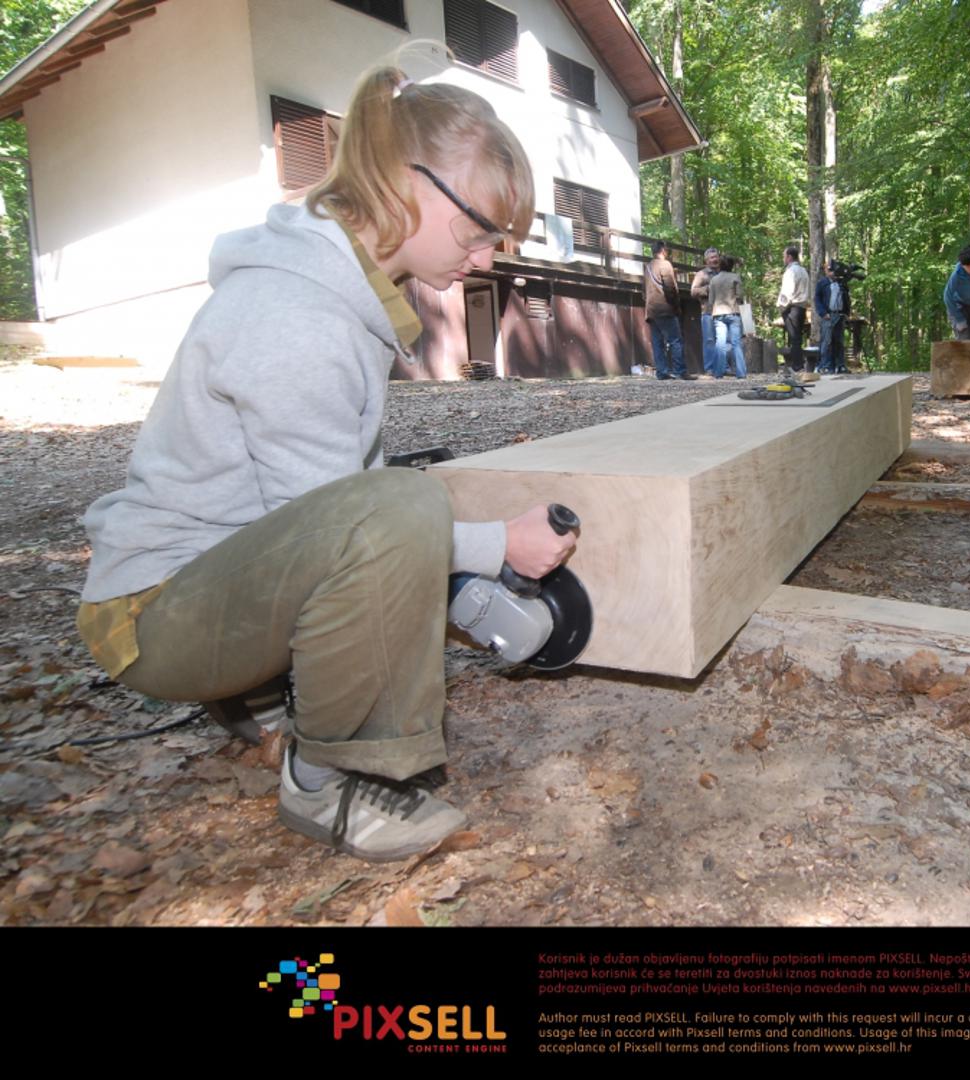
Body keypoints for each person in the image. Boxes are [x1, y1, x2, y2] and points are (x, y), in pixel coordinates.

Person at [75, 60, 576, 863]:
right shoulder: (298, 314)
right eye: (479, 229)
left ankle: (256, 690)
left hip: (197, 587)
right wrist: (497, 547)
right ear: (406, 183)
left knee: (390, 499)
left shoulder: (335, 293)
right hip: (156, 619)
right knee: (401, 504)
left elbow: (314, 512)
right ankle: (330, 777)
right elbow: (350, 525)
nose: (486, 259)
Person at [644, 239, 688, 380]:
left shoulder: (648, 267)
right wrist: (676, 306)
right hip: (665, 308)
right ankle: (680, 371)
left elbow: (644, 290)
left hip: (651, 310)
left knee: (657, 342)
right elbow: (670, 288)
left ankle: (662, 372)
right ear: (663, 250)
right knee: (675, 340)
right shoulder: (665, 264)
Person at [708, 254, 747, 379]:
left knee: (720, 343)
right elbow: (740, 295)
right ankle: (741, 372)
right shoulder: (736, 277)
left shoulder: (714, 279)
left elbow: (711, 300)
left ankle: (718, 373)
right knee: (736, 343)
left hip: (718, 313)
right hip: (733, 311)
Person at [776, 244, 810, 371]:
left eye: (784, 256)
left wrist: (782, 307)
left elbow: (787, 292)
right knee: (797, 337)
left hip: (792, 307)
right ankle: (798, 364)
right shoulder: (803, 271)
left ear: (789, 257)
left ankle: (797, 365)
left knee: (794, 338)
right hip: (802, 307)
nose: (783, 259)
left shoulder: (790, 271)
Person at [813, 260, 850, 373]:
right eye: (829, 270)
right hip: (828, 315)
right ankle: (825, 365)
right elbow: (817, 299)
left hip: (840, 314)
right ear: (825, 271)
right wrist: (823, 313)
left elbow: (846, 298)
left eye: (833, 270)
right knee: (826, 341)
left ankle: (840, 365)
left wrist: (847, 312)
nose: (832, 273)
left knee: (839, 341)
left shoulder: (841, 283)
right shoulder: (822, 283)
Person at [690, 247, 720, 375]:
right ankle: (710, 368)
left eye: (716, 257)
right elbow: (693, 291)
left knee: (723, 340)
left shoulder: (723, 273)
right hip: (708, 311)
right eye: (712, 257)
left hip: (723, 311)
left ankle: (723, 367)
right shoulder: (701, 274)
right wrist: (708, 289)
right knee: (709, 340)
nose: (715, 259)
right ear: (706, 260)